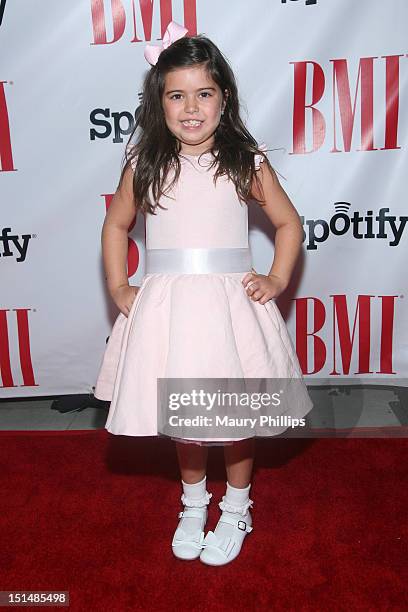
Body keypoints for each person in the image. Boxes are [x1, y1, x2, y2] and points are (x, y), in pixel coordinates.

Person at [94, 21, 313, 566]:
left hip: (228, 309)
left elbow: (288, 224)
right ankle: (194, 502)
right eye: (177, 95)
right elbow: (116, 225)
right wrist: (119, 284)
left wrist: (278, 279)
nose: (191, 107)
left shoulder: (245, 161)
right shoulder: (144, 163)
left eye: (204, 93)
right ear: (158, 102)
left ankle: (237, 505)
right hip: (170, 310)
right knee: (186, 419)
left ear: (224, 98)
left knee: (234, 421)